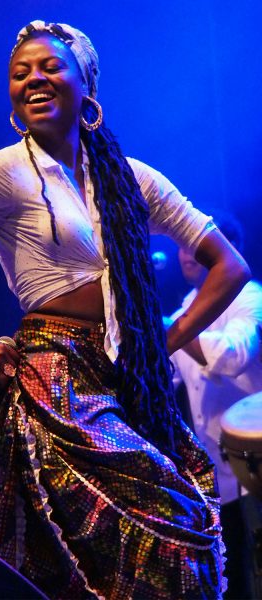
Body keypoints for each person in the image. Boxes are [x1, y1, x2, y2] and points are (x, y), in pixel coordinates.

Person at [0, 20, 251, 599]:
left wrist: (167, 338)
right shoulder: (1, 170)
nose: (33, 79)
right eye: (19, 72)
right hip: (54, 384)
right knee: (158, 520)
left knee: (167, 537)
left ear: (87, 83)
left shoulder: (129, 178)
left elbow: (229, 266)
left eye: (50, 67)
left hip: (127, 377)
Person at [168, 210, 262, 599]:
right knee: (233, 572)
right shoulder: (185, 307)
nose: (185, 253)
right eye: (181, 245)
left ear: (228, 249)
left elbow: (233, 355)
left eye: (194, 243)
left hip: (257, 462)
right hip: (213, 472)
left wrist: (171, 331)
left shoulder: (251, 297)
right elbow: (169, 377)